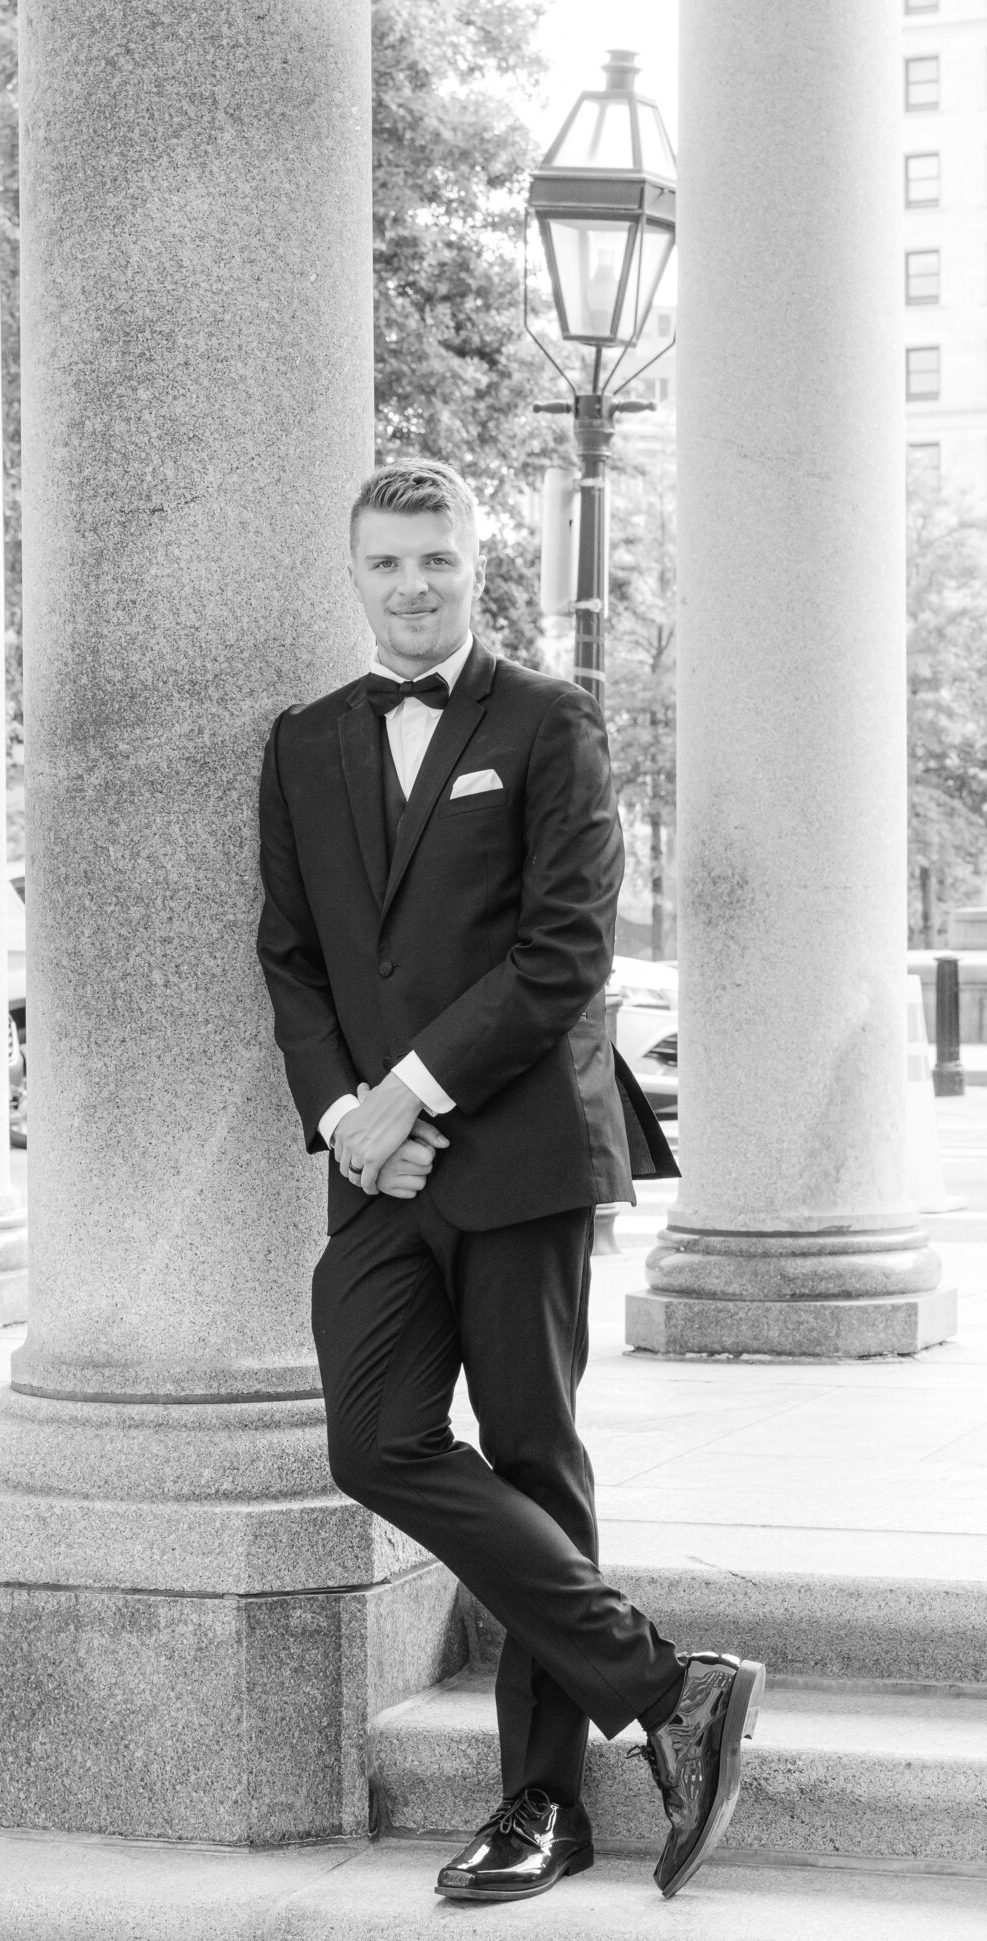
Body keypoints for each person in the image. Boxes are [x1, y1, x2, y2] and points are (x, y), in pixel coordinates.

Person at [257, 458, 765, 1903]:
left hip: (521, 1154)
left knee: (534, 1453)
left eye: (440, 559)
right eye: (389, 564)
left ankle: (546, 1804)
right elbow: (289, 959)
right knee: (374, 1437)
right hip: (376, 1172)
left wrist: (411, 1090)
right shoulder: (300, 744)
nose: (417, 586)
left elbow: (563, 952)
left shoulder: (547, 720)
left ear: (478, 564)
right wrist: (349, 1113)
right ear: (353, 575)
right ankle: (668, 1685)